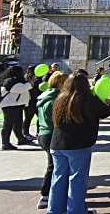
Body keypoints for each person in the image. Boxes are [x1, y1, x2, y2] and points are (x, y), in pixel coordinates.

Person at [48, 71, 110, 214]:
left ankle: (54, 210)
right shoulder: (87, 98)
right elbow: (105, 112)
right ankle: (76, 211)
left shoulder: (60, 97)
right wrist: (109, 102)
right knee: (77, 180)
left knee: (58, 178)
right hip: (79, 145)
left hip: (58, 143)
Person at [35, 71, 68, 210]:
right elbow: (58, 120)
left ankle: (52, 194)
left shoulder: (44, 96)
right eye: (65, 82)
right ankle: (46, 195)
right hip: (52, 134)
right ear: (60, 83)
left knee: (54, 165)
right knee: (54, 167)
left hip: (43, 133)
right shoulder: (56, 98)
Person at [0, 66, 32, 150]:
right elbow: (19, 89)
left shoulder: (14, 79)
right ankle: (5, 143)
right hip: (9, 106)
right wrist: (30, 83)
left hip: (16, 105)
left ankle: (21, 139)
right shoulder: (10, 81)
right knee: (8, 125)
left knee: (18, 123)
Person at [23, 66, 42, 140]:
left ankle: (38, 132)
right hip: (30, 101)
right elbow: (29, 88)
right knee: (28, 118)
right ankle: (26, 133)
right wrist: (33, 81)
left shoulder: (39, 77)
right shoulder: (26, 78)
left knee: (40, 118)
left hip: (37, 100)